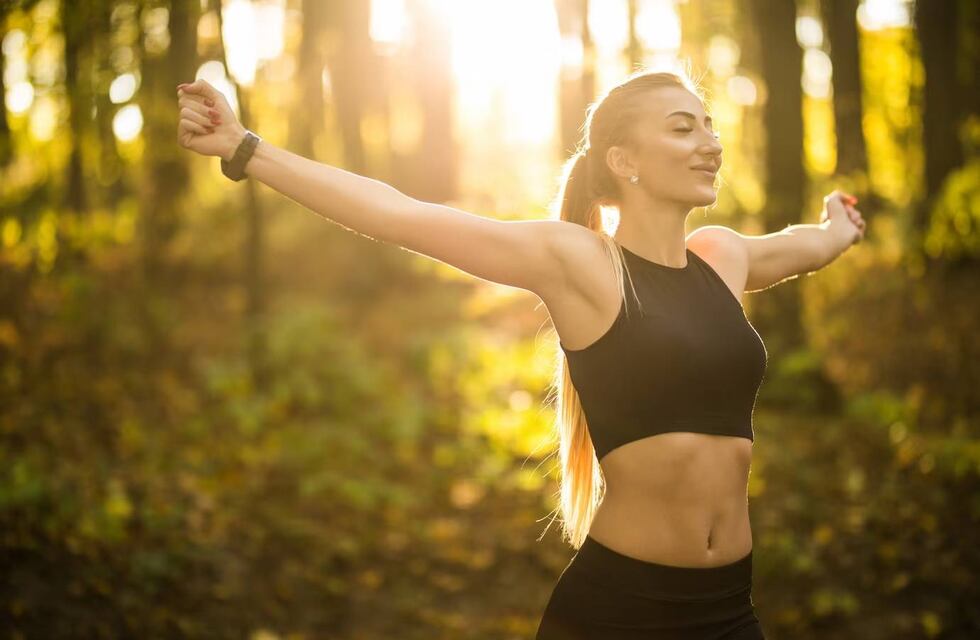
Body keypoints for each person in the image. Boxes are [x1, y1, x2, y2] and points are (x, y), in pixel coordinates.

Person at [176, 67, 865, 639]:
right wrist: (244, 148)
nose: (708, 141)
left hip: (729, 610)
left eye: (708, 125)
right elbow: (398, 213)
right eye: (682, 128)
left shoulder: (722, 259)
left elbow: (805, 246)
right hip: (624, 610)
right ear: (622, 161)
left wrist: (838, 228)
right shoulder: (581, 262)